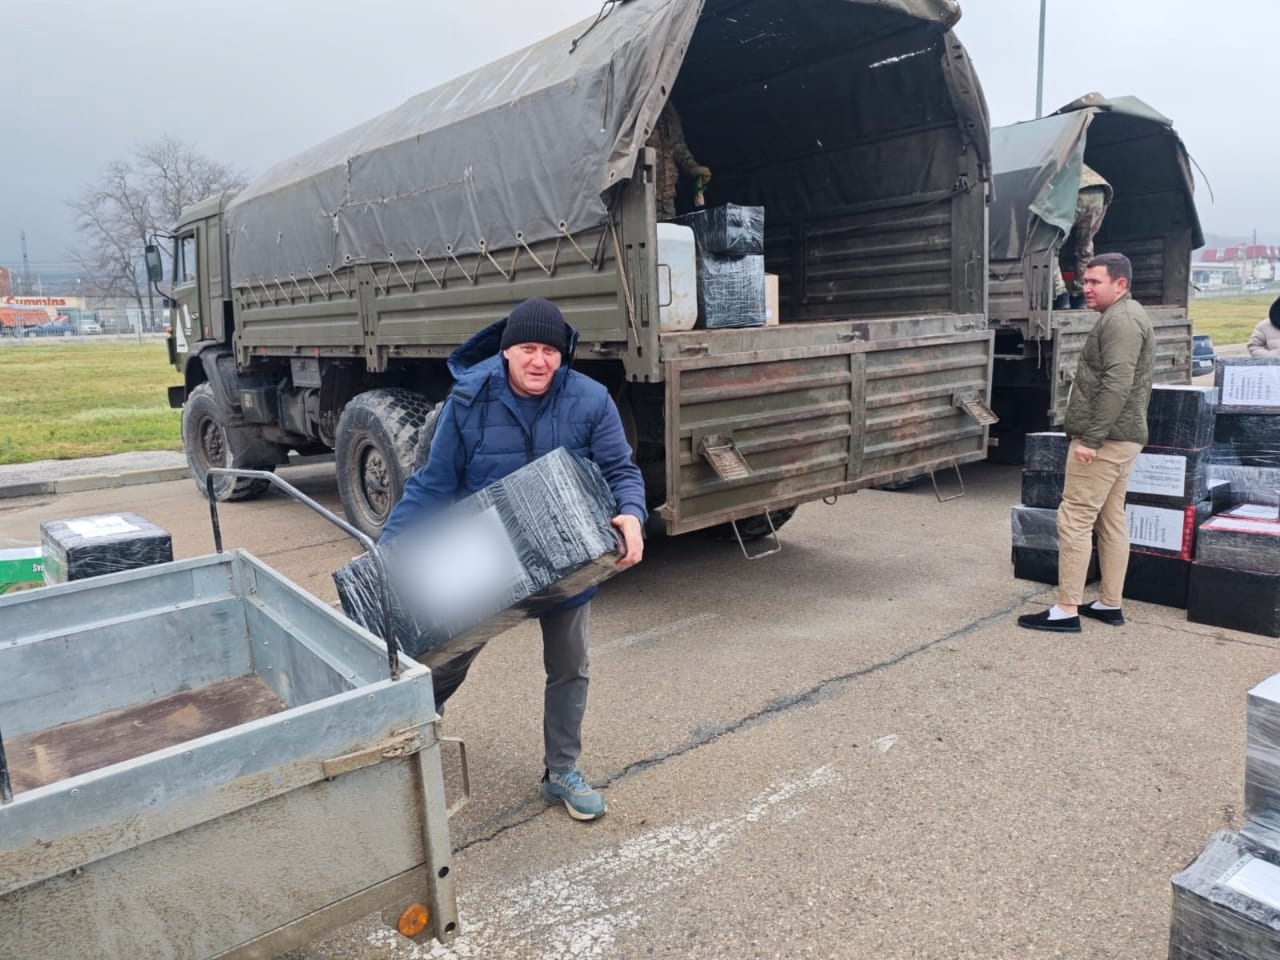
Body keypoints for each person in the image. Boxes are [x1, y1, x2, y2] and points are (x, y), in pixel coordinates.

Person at [380, 297, 646, 821]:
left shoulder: (590, 400)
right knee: (441, 657)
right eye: (528, 348)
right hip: (488, 555)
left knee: (570, 667)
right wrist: (389, 549)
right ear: (506, 353)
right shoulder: (470, 400)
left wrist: (633, 514)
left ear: (562, 355)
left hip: (565, 557)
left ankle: (562, 772)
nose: (539, 361)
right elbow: (434, 484)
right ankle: (410, 743)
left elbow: (621, 469)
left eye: (550, 350)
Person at [1019, 252, 1155, 633]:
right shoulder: (1122, 317)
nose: (1086, 288)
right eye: (1086, 281)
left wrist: (1092, 439)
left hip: (1107, 440)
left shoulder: (1122, 322)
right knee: (1110, 520)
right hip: (1120, 438)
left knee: (1074, 519)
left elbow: (1117, 382)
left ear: (1120, 284)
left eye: (1095, 282)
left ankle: (1066, 609)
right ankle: (1109, 603)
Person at [1052, 163, 1114, 311]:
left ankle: (1061, 296)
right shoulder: (1068, 155)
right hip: (1099, 192)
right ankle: (1080, 296)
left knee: (1050, 247)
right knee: (1084, 249)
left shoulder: (1045, 159)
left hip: (1076, 193)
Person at [648, 101, 712, 221]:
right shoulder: (635, 104)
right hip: (643, 194)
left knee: (667, 233)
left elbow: (678, 145)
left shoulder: (667, 107)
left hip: (667, 195)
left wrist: (693, 168)